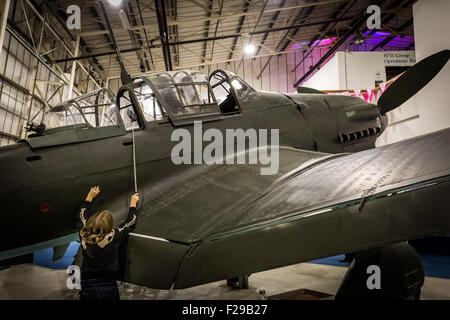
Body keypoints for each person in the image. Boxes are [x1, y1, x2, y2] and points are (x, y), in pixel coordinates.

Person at [76, 186, 139, 300]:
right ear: (109, 227)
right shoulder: (114, 235)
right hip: (108, 282)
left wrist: (89, 197)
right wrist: (133, 204)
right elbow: (130, 223)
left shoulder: (84, 232)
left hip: (87, 281)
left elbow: (81, 214)